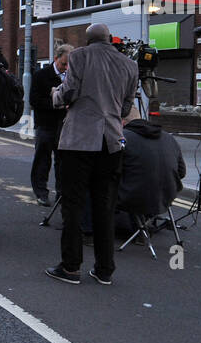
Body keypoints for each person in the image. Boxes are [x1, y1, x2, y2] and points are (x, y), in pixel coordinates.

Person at [45, 23, 139, 286]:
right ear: (109, 38)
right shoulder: (129, 64)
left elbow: (69, 92)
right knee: (105, 206)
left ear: (87, 40)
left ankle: (70, 267)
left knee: (73, 205)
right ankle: (104, 269)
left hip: (79, 141)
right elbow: (127, 107)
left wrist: (55, 95)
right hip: (111, 142)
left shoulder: (78, 56)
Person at [117, 107, 187, 228]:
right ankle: (142, 224)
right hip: (166, 196)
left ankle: (91, 231)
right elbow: (182, 172)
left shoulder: (123, 138)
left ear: (122, 122)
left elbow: (112, 171)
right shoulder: (169, 137)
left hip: (133, 198)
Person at [30, 44, 71, 207]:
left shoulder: (73, 76)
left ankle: (61, 193)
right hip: (45, 125)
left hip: (65, 126)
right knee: (42, 160)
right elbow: (34, 100)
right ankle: (41, 193)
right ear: (56, 59)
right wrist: (56, 104)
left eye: (69, 65)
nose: (66, 68)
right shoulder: (41, 75)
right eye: (63, 64)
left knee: (62, 162)